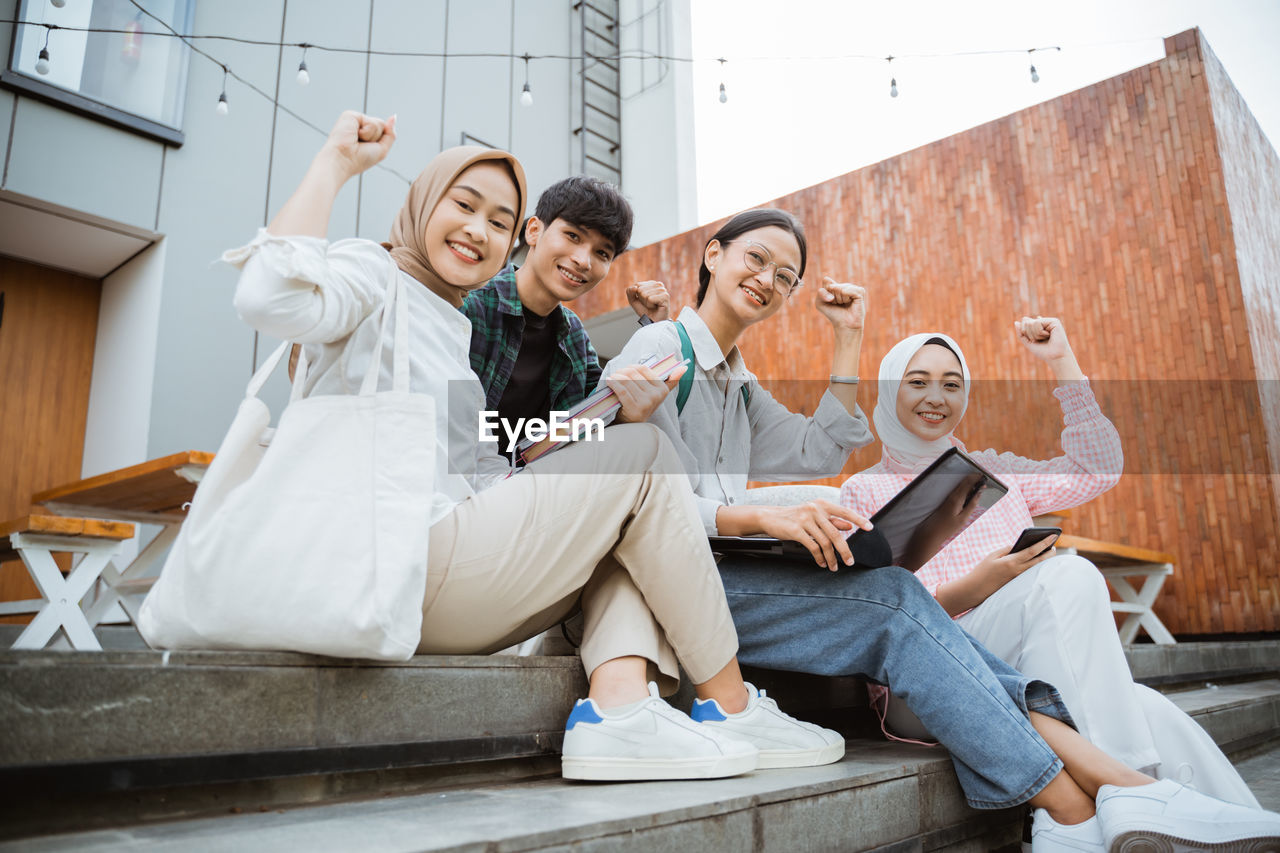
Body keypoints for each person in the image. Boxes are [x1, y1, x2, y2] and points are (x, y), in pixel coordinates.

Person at [599, 208, 1280, 848]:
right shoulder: (664, 345)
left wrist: (848, 337)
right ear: (713, 255)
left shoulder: (741, 389)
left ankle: (1116, 804)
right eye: (757, 259)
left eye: (786, 276)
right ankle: (1089, 807)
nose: (769, 281)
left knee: (954, 610)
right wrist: (754, 514)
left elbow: (818, 449)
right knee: (906, 599)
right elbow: (622, 486)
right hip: (684, 579)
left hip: (734, 578)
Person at [225, 111, 849, 783]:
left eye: (495, 220)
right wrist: (334, 164)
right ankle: (727, 702)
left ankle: (619, 711)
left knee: (623, 499)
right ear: (535, 236)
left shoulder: (484, 331)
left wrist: (604, 415)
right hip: (395, 554)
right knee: (640, 456)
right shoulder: (384, 280)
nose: (477, 231)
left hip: (463, 537)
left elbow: (498, 454)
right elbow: (273, 295)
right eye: (464, 207)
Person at [839, 323, 1262, 810]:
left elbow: (1096, 469)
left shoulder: (995, 472)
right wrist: (983, 583)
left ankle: (1237, 826)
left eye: (951, 384)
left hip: (1029, 656)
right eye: (917, 382)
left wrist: (1062, 361)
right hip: (934, 671)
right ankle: (1128, 798)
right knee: (1071, 573)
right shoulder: (862, 492)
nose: (936, 396)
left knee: (1151, 710)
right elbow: (881, 616)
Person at [461, 175, 673, 456]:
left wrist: (654, 329)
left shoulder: (574, 336)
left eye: (602, 253)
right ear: (534, 230)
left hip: (535, 490)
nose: (583, 261)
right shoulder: (470, 303)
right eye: (573, 236)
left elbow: (595, 428)